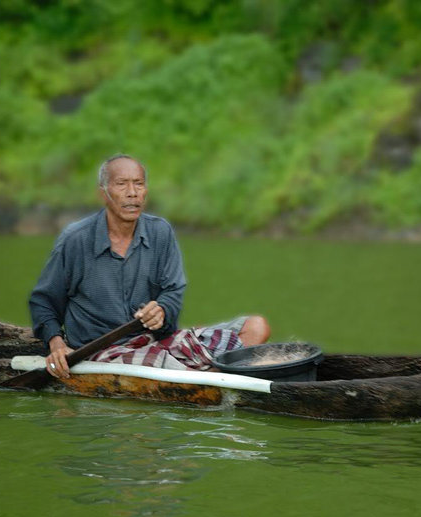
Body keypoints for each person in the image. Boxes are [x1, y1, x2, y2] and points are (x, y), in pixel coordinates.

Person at [29, 154, 270, 379]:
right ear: (103, 193)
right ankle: (211, 372)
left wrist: (163, 311)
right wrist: (57, 344)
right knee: (178, 368)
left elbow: (173, 294)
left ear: (146, 191)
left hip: (155, 342)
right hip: (102, 355)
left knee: (256, 326)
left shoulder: (160, 232)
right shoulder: (76, 239)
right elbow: (44, 302)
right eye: (122, 184)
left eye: (139, 184)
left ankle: (210, 373)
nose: (132, 193)